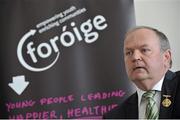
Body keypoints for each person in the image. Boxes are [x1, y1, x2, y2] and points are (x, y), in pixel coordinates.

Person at [103, 26, 180, 119]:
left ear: (166, 57)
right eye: (129, 53)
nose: (135, 57)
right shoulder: (114, 117)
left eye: (144, 50)